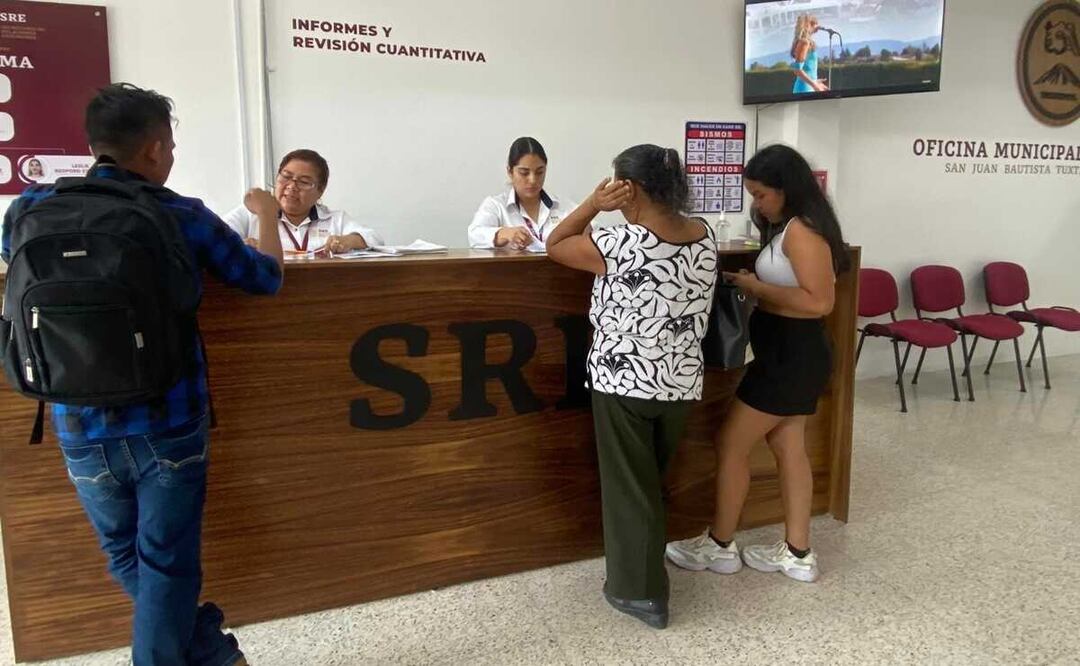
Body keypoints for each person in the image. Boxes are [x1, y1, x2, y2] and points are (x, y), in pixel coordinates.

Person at [1, 83, 285, 665]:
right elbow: (264, 278)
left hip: (75, 421)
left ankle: (209, 652)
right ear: (155, 149)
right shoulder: (179, 213)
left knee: (128, 556)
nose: (173, 156)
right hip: (169, 420)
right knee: (166, 560)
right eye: (172, 145)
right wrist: (266, 216)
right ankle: (201, 653)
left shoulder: (27, 209)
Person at [546, 145, 717, 629]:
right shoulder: (704, 236)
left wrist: (591, 205)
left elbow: (556, 242)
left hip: (625, 383)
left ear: (631, 189)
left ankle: (639, 592)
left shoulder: (621, 243)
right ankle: (645, 570)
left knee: (629, 489)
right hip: (680, 383)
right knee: (648, 483)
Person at [665, 144, 849, 584]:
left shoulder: (802, 232)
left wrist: (757, 287)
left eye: (762, 194)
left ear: (787, 190)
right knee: (788, 448)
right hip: (787, 354)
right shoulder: (790, 227)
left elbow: (820, 302)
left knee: (731, 443)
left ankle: (721, 544)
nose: (756, 203)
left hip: (791, 357)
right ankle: (798, 552)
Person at [222, 149, 383, 256]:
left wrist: (348, 241)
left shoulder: (335, 219)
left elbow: (375, 238)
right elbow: (215, 238)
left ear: (320, 190)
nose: (291, 186)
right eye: (285, 176)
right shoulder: (251, 214)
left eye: (304, 182)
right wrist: (241, 245)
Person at [469, 137, 576, 250]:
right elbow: (474, 235)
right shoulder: (496, 205)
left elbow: (594, 230)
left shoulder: (563, 206)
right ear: (510, 172)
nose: (533, 180)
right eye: (524, 173)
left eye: (539, 172)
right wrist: (504, 233)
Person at [792, 14, 829, 94]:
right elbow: (797, 70)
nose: (817, 27)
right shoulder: (804, 42)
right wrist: (814, 85)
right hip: (804, 89)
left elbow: (807, 69)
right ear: (809, 25)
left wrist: (815, 81)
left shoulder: (806, 42)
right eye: (815, 23)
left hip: (808, 87)